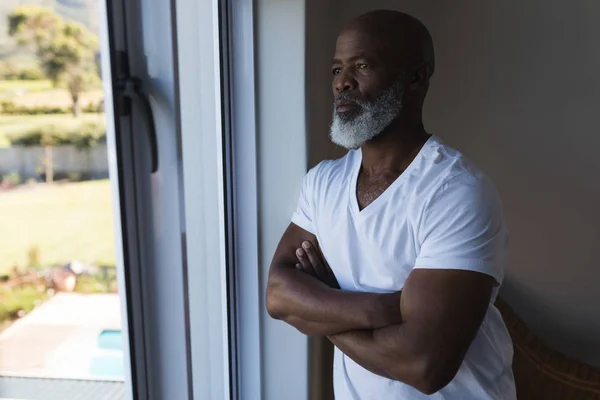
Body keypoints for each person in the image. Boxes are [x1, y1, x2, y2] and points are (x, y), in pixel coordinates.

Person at [266, 9, 516, 400]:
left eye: (362, 65)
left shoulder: (456, 192)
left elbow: (423, 365)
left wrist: (321, 307)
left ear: (416, 77)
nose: (342, 84)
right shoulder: (323, 183)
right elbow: (278, 295)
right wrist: (385, 309)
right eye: (336, 70)